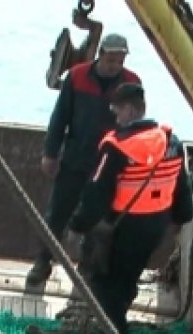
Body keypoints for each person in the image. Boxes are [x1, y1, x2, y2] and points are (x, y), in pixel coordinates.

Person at [66, 82, 193, 334]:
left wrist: (77, 224)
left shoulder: (116, 147)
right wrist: (182, 217)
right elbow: (182, 184)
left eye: (117, 112)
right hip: (156, 226)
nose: (115, 118)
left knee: (104, 280)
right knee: (129, 275)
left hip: (123, 227)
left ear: (130, 110)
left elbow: (97, 193)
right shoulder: (171, 141)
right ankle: (117, 321)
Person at [26, 33, 140, 292]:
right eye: (111, 59)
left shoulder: (132, 83)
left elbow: (136, 126)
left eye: (120, 60)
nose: (115, 65)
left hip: (109, 165)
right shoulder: (76, 77)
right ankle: (42, 262)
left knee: (98, 220)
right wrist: (50, 153)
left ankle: (86, 272)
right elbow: (60, 117)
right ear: (101, 54)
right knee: (57, 213)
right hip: (75, 160)